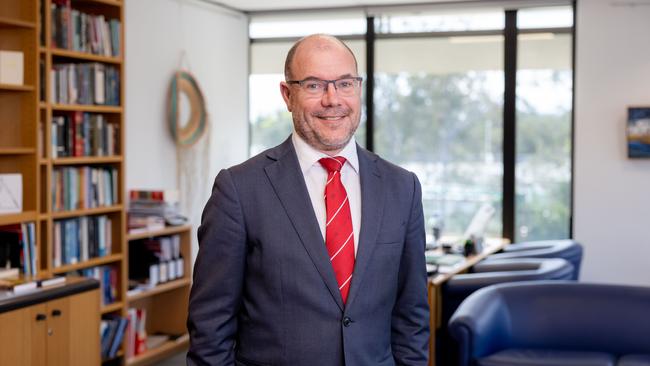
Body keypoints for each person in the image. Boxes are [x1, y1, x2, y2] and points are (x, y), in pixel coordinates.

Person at [187, 34, 429, 366]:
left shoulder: (403, 188)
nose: (333, 99)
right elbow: (210, 327)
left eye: (344, 83)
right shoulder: (239, 190)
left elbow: (411, 315)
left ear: (358, 89)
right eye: (314, 86)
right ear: (288, 95)